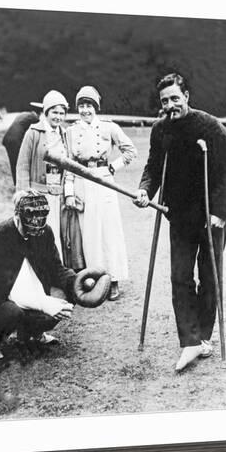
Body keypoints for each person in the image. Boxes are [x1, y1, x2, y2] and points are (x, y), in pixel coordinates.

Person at [134, 73, 226, 371]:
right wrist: (144, 190)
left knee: (209, 278)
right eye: (165, 101)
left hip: (211, 215)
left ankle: (203, 336)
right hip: (179, 214)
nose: (171, 105)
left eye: (175, 98)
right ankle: (189, 342)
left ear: (186, 95)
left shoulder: (211, 127)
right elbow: (152, 166)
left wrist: (221, 211)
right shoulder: (160, 130)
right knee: (180, 277)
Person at [0, 190, 110, 362]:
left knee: (65, 295)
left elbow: (55, 268)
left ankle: (31, 333)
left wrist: (76, 282)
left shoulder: (44, 232)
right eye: (28, 227)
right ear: (17, 215)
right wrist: (42, 303)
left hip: (28, 296)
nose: (33, 231)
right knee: (11, 312)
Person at [64, 86, 136, 301]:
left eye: (89, 106)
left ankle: (113, 280)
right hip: (81, 183)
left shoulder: (109, 127)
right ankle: (95, 279)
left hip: (104, 181)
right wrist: (69, 192)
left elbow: (130, 151)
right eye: (82, 106)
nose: (86, 110)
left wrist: (113, 167)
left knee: (108, 232)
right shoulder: (71, 131)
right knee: (89, 233)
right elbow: (68, 164)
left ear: (96, 107)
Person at [16, 90, 69, 258]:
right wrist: (24, 193)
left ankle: (56, 277)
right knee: (37, 236)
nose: (58, 117)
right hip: (37, 195)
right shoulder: (33, 132)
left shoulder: (65, 134)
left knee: (57, 237)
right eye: (54, 112)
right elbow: (22, 164)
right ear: (46, 112)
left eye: (62, 113)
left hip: (57, 195)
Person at [2, 108, 40, 185]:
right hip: (15, 141)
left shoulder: (23, 114)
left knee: (13, 162)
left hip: (7, 139)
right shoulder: (34, 117)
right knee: (20, 163)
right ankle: (20, 184)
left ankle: (16, 184)